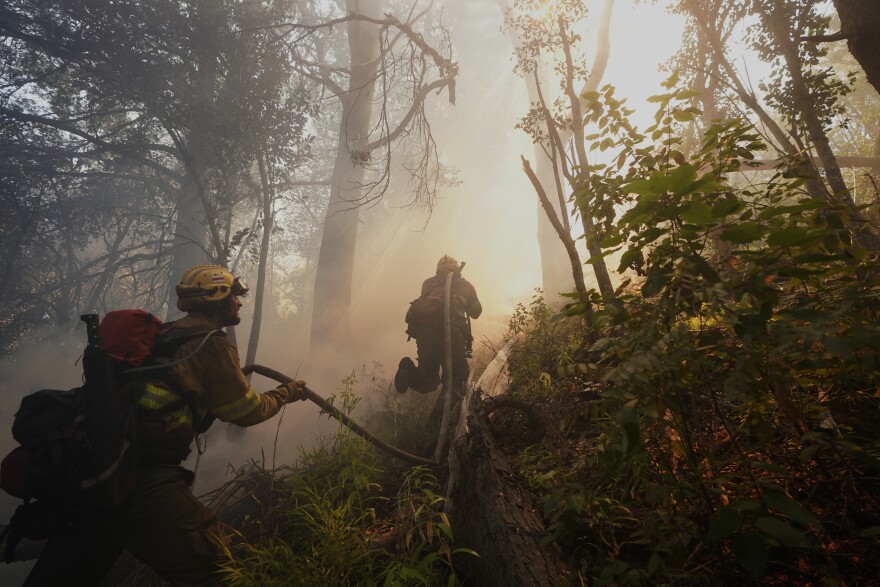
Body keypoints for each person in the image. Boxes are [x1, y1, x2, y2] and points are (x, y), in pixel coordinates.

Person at [23, 264, 307, 586]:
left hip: (95, 474)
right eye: (233, 295)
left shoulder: (165, 335)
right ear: (216, 297)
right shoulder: (210, 344)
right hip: (142, 482)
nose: (239, 303)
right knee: (217, 573)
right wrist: (287, 393)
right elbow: (246, 411)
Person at [394, 255, 482, 396]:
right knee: (457, 383)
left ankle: (408, 370)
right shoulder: (466, 285)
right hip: (453, 338)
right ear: (456, 267)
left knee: (427, 382)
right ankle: (439, 417)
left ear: (437, 269)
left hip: (426, 338)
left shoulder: (428, 283)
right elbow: (476, 312)